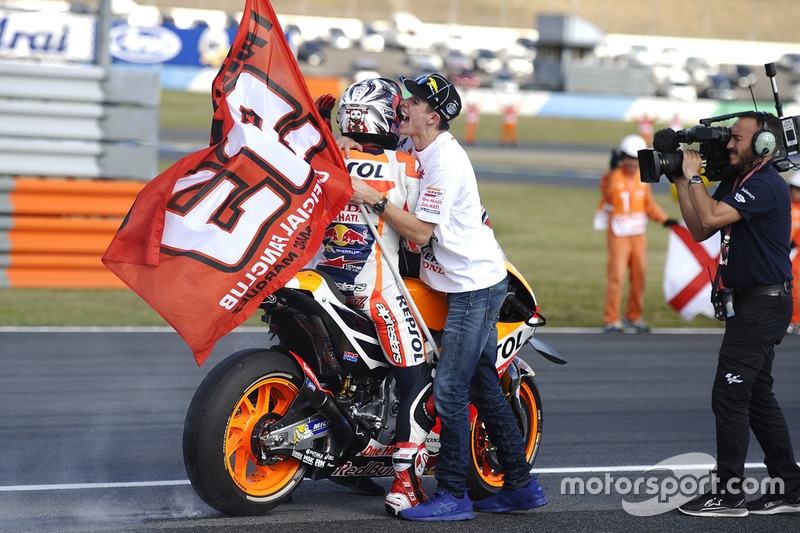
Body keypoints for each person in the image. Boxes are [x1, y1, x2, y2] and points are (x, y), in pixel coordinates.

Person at [348, 73, 548, 521]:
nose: (401, 104)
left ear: (433, 116)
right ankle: (521, 485)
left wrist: (374, 201)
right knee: (482, 386)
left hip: (474, 289)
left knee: (451, 390)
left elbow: (419, 231)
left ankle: (454, 493)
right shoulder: (413, 151)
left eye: (412, 101)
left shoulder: (445, 162)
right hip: (462, 283)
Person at [314, 79, 435, 516]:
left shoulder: (325, 158)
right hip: (375, 293)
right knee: (416, 376)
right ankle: (405, 483)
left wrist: (320, 125)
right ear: (384, 116)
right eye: (398, 111)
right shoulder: (407, 165)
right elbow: (423, 237)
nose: (402, 118)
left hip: (324, 280)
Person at [673, 111, 800, 517]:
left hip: (764, 304)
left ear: (764, 146)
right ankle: (791, 487)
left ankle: (728, 494)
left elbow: (710, 215)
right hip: (751, 303)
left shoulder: (766, 185)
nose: (729, 144)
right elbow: (700, 228)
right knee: (757, 395)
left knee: (729, 395)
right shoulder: (736, 180)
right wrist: (680, 179)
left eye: (738, 139)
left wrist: (695, 177)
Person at [599, 134, 675, 334]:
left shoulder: (643, 179)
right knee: (616, 277)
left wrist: (664, 219)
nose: (633, 163)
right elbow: (606, 191)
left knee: (639, 276)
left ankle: (633, 316)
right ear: (622, 157)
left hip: (638, 235)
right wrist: (611, 171)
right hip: (619, 235)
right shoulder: (613, 177)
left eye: (636, 159)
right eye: (629, 158)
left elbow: (648, 205)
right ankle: (611, 320)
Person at [788, 174, 800, 334]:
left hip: (794, 252)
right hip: (778, 251)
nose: (796, 192)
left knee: (792, 286)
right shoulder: (784, 204)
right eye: (794, 188)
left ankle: (794, 320)